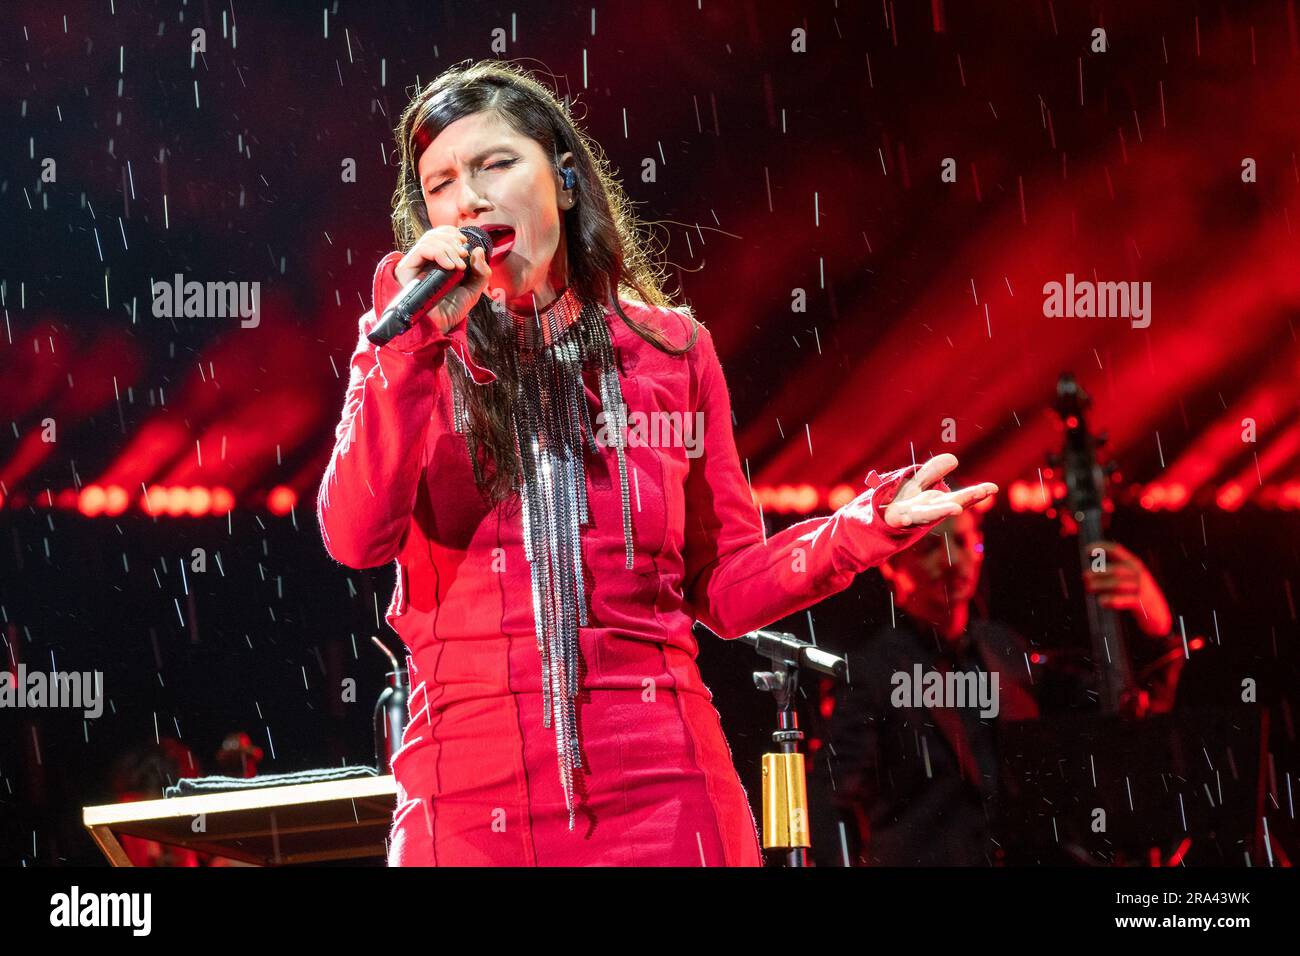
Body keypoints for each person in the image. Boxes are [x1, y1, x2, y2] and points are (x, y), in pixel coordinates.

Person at [316, 60, 997, 866]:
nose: (469, 197)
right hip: (464, 806)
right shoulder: (411, 349)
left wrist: (857, 530)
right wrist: (401, 352)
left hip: (662, 794)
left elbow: (728, 585)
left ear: (563, 183)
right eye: (440, 183)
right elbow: (355, 538)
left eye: (497, 164)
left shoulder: (670, 352)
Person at [809, 506, 1185, 866]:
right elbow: (831, 801)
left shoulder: (1004, 648)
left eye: (962, 543)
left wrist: (1157, 626)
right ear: (891, 564)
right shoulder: (869, 672)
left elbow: (1117, 717)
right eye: (929, 548)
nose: (952, 561)